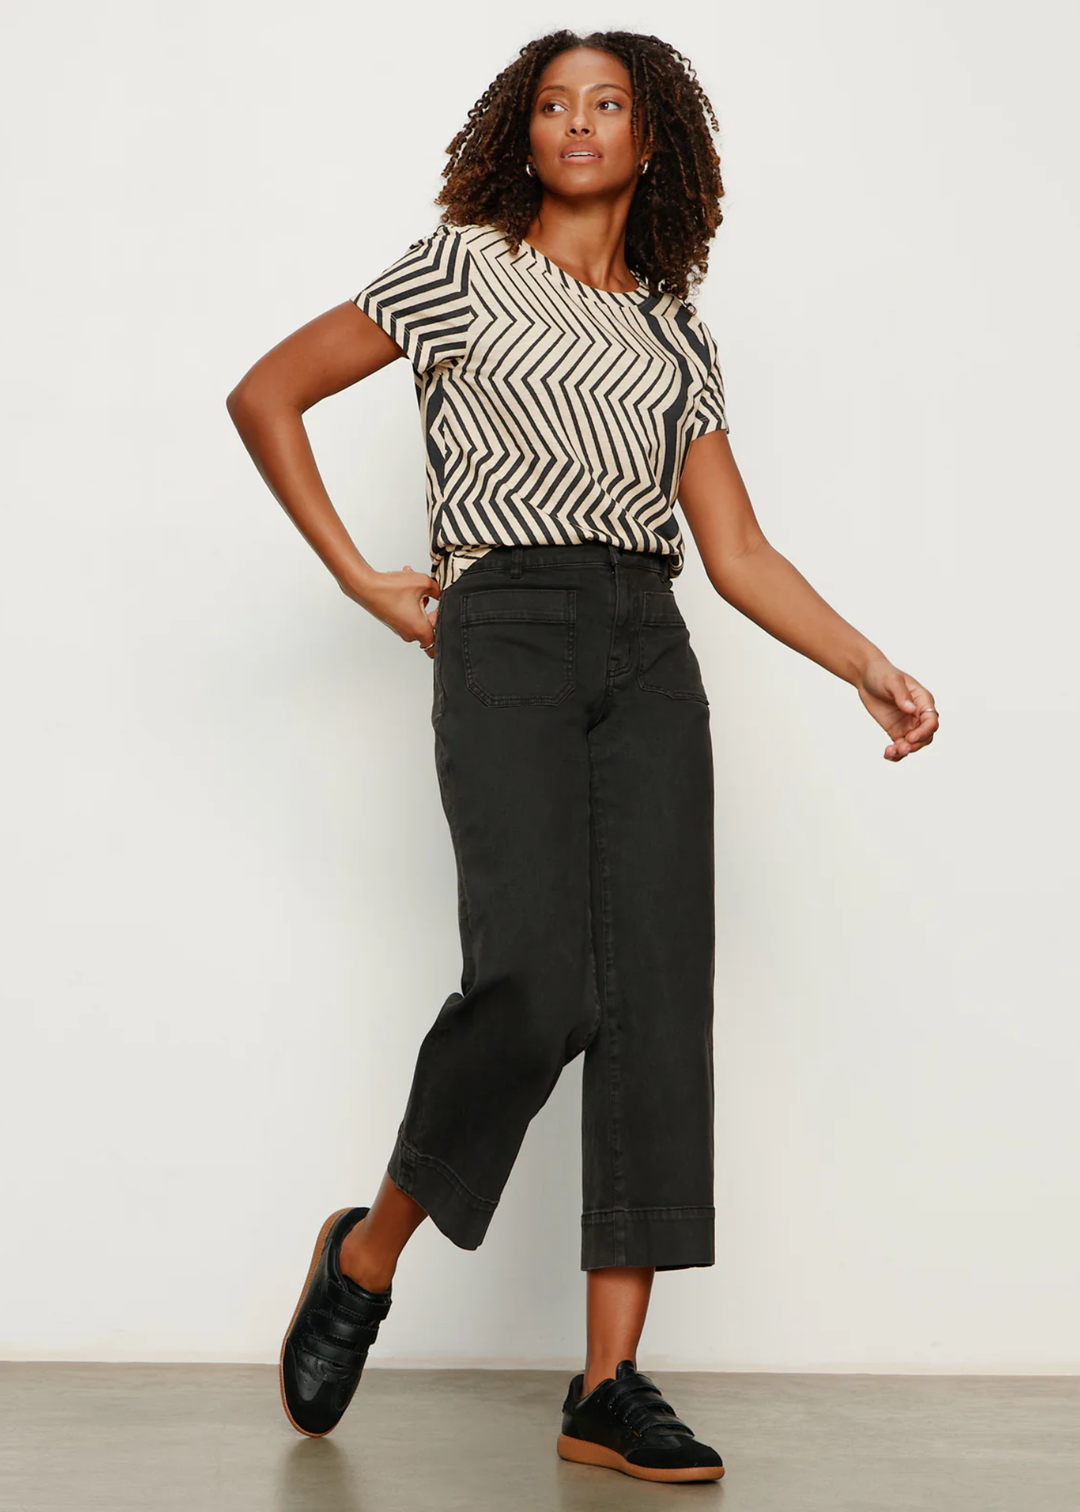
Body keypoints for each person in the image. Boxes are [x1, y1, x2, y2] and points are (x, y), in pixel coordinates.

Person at [225, 28, 939, 1485]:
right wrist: (363, 576)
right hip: (505, 628)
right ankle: (365, 1257)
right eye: (554, 104)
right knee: (537, 978)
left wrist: (868, 664)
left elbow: (734, 550)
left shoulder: (680, 335)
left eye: (607, 103)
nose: (578, 123)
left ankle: (607, 1385)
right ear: (522, 133)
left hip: (648, 645)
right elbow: (267, 393)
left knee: (656, 998)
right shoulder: (460, 270)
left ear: (650, 137)